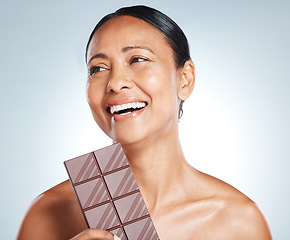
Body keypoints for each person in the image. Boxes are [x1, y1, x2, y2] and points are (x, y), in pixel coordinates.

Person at [17, 5, 272, 240]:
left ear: (184, 80)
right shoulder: (48, 212)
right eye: (98, 68)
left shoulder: (239, 222)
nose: (115, 82)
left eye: (137, 59)